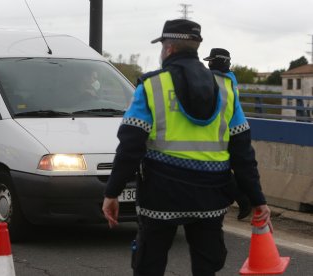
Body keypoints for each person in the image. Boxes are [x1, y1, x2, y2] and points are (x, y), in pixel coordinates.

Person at [102, 19, 272, 276]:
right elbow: (243, 153)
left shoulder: (151, 86)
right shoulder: (226, 89)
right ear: (196, 46)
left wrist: (112, 192)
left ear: (168, 49)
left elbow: (130, 147)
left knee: (149, 263)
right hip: (212, 195)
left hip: (161, 195)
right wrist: (258, 200)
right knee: (206, 266)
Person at [203, 48, 252, 220]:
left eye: (211, 61)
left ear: (219, 62)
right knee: (231, 169)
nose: (208, 65)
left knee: (219, 169)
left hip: (232, 131)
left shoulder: (222, 80)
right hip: (235, 129)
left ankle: (243, 200)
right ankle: (240, 198)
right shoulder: (229, 78)